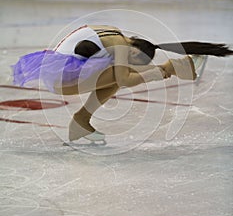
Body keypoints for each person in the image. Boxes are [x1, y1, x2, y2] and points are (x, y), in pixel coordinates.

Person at [12, 24, 232, 144]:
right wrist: (161, 72)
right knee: (121, 77)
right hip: (63, 77)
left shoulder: (114, 32)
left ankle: (81, 121)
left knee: (120, 75)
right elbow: (125, 79)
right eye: (133, 58)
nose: (129, 59)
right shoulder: (120, 45)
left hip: (60, 71)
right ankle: (174, 67)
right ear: (134, 48)